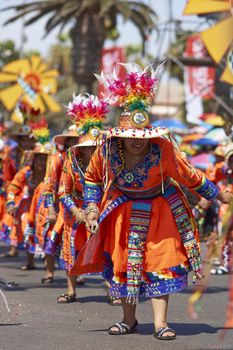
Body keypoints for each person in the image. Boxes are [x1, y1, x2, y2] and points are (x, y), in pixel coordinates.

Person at [71, 63, 233, 340]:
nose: (137, 142)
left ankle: (160, 324)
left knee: (160, 264)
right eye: (131, 137)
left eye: (142, 138)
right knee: (124, 267)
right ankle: (128, 320)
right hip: (122, 213)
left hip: (160, 212)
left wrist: (218, 195)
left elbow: (188, 175)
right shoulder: (107, 148)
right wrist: (91, 207)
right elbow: (92, 178)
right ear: (121, 135)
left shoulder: (163, 150)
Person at [49, 94, 108, 303]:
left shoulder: (106, 164)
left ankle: (111, 290)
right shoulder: (70, 163)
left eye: (95, 147)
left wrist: (97, 211)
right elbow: (63, 191)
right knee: (71, 247)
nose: (91, 151)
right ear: (80, 149)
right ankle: (71, 290)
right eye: (87, 148)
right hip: (75, 211)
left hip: (101, 209)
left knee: (104, 248)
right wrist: (77, 212)